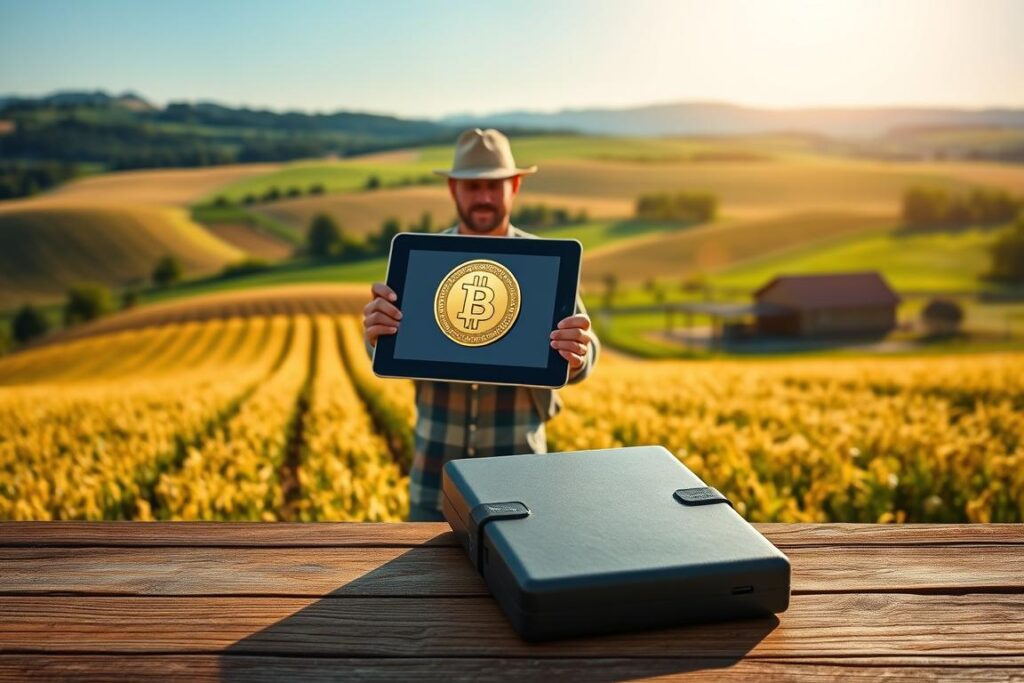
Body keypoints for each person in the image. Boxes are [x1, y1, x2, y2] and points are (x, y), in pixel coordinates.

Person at [363, 128, 600, 521]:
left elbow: (586, 351)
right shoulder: (422, 263)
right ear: (453, 189)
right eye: (473, 187)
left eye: (495, 185)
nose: (485, 197)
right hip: (434, 484)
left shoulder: (547, 265)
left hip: (522, 484)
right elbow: (385, 346)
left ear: (516, 186)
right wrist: (375, 334)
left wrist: (576, 355)